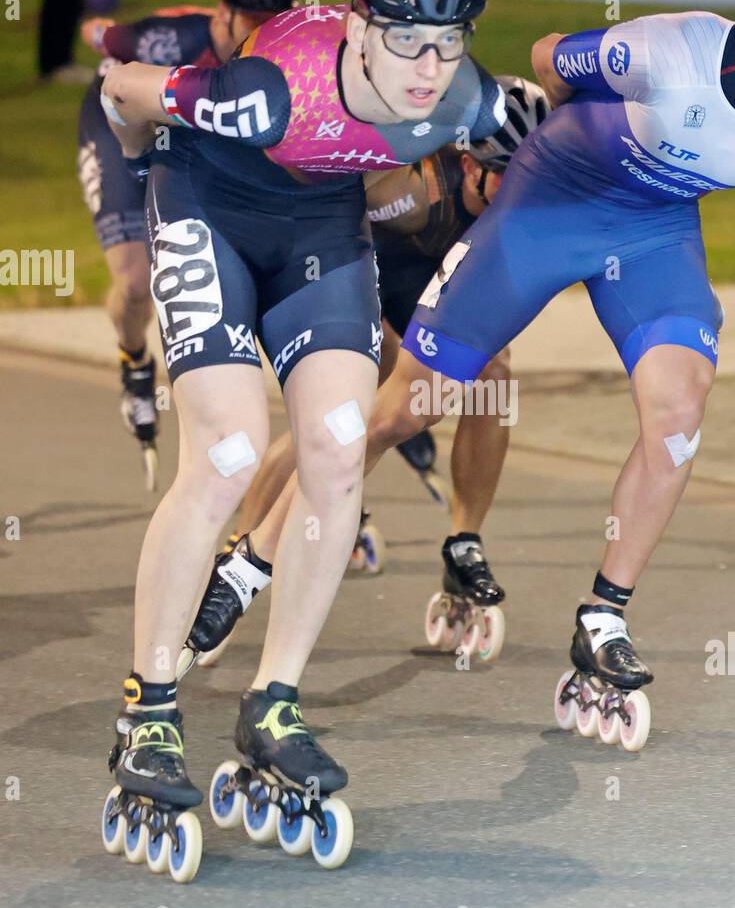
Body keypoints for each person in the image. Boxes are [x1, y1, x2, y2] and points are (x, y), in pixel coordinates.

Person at [362, 0, 735, 751]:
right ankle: (260, 551)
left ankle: (602, 616)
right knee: (408, 410)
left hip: (652, 230)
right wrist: (587, 131)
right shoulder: (669, 49)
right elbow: (547, 59)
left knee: (680, 405)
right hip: (553, 197)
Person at [98, 0, 504, 882]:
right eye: (407, 39)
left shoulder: (466, 98)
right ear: (360, 23)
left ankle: (273, 701)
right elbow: (122, 87)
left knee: (332, 442)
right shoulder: (263, 91)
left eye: (449, 43)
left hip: (321, 226)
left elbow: (538, 137)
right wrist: (146, 163)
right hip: (207, 204)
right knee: (232, 450)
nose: (427, 68)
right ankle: (150, 709)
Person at [172, 78, 551, 673]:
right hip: (358, 263)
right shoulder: (407, 186)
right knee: (341, 411)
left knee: (494, 375)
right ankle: (238, 556)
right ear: (469, 161)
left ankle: (464, 539)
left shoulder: (527, 200)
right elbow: (322, 231)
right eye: (505, 175)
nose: (517, 192)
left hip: (441, 278)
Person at [77, 0, 300, 489]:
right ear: (222, 11)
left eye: (276, 21)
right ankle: (134, 360)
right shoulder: (169, 37)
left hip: (189, 132)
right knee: (134, 282)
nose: (265, 35)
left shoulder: (284, 49)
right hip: (118, 123)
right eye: (253, 23)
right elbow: (97, 34)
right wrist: (111, 32)